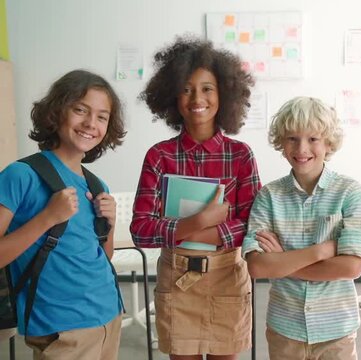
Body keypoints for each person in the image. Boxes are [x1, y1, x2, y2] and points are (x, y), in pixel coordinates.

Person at [130, 36, 260, 360]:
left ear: (224, 94)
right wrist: (199, 221)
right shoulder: (159, 157)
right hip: (177, 282)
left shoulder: (241, 156)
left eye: (207, 88)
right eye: (186, 89)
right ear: (172, 96)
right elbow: (140, 230)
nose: (196, 98)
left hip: (227, 280)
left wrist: (196, 233)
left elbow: (254, 226)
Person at [0, 69, 126, 359]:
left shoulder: (96, 184)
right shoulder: (21, 175)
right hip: (61, 327)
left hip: (109, 315)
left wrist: (110, 223)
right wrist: (47, 218)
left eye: (102, 116)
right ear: (56, 112)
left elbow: (103, 257)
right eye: (80, 110)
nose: (90, 123)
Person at [242, 96, 361, 360]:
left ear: (328, 143)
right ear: (282, 142)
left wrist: (283, 261)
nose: (302, 148)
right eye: (292, 138)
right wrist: (322, 251)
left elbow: (351, 267)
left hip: (337, 331)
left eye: (312, 138)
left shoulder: (349, 192)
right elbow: (257, 267)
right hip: (284, 329)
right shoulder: (268, 196)